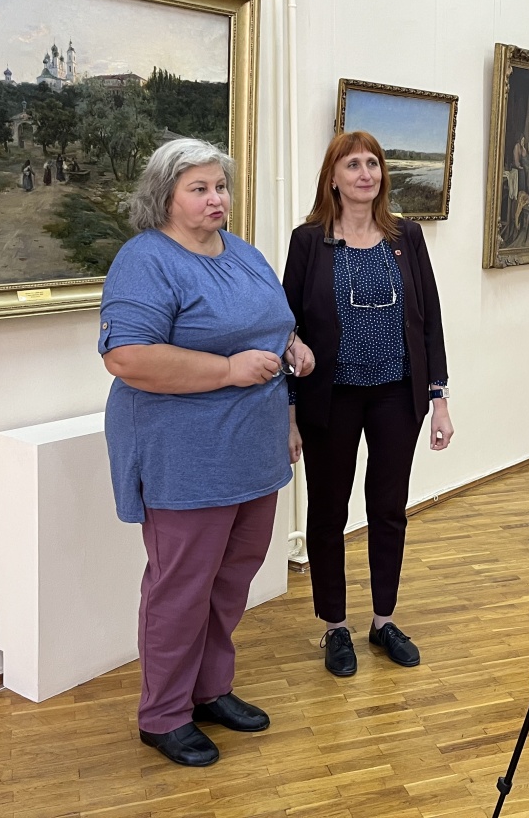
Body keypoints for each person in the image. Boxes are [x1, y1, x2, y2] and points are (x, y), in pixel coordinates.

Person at [99, 138, 315, 768]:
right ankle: (163, 714)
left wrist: (292, 346)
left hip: (254, 449)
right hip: (185, 457)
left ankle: (209, 688)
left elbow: (269, 325)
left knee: (231, 579)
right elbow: (127, 357)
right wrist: (227, 370)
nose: (217, 198)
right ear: (164, 196)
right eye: (200, 189)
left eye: (220, 186)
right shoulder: (146, 261)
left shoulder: (243, 255)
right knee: (181, 588)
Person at [283, 130, 454, 678]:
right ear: (332, 176)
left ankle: (383, 621)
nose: (365, 174)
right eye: (352, 164)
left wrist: (439, 398)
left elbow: (429, 320)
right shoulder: (309, 241)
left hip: (396, 395)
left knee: (388, 509)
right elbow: (287, 330)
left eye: (373, 164)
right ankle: (335, 626)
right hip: (329, 397)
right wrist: (287, 413)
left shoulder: (406, 237)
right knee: (328, 512)